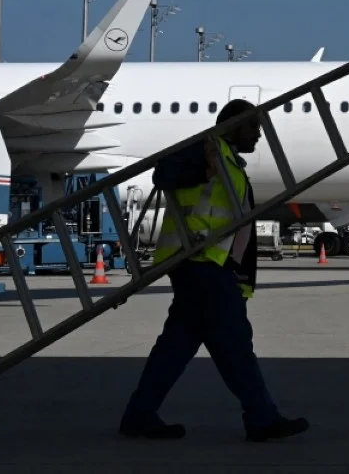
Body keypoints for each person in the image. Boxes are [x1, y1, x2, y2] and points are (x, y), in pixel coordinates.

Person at [119, 98, 309, 442]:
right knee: (235, 345)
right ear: (234, 124)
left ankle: (139, 414)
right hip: (199, 263)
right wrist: (201, 170)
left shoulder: (229, 161)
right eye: (254, 127)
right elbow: (163, 174)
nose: (258, 136)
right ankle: (262, 418)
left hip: (208, 265)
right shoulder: (205, 149)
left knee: (176, 347)